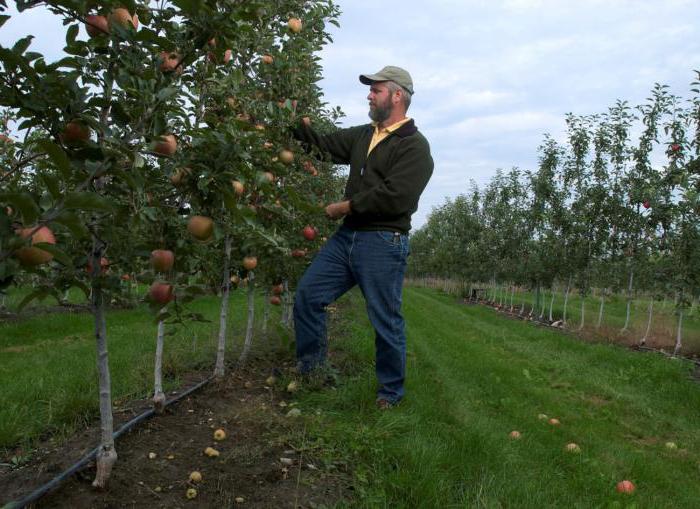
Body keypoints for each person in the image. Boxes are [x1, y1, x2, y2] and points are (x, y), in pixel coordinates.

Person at [291, 65, 434, 409]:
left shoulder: (414, 146)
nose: (369, 95)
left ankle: (390, 394)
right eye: (370, 90)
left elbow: (396, 196)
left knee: (385, 319)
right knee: (308, 296)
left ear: (397, 95)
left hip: (382, 241)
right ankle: (313, 373)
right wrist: (291, 118)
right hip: (347, 238)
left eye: (376, 90)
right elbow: (322, 146)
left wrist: (346, 206)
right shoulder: (363, 135)